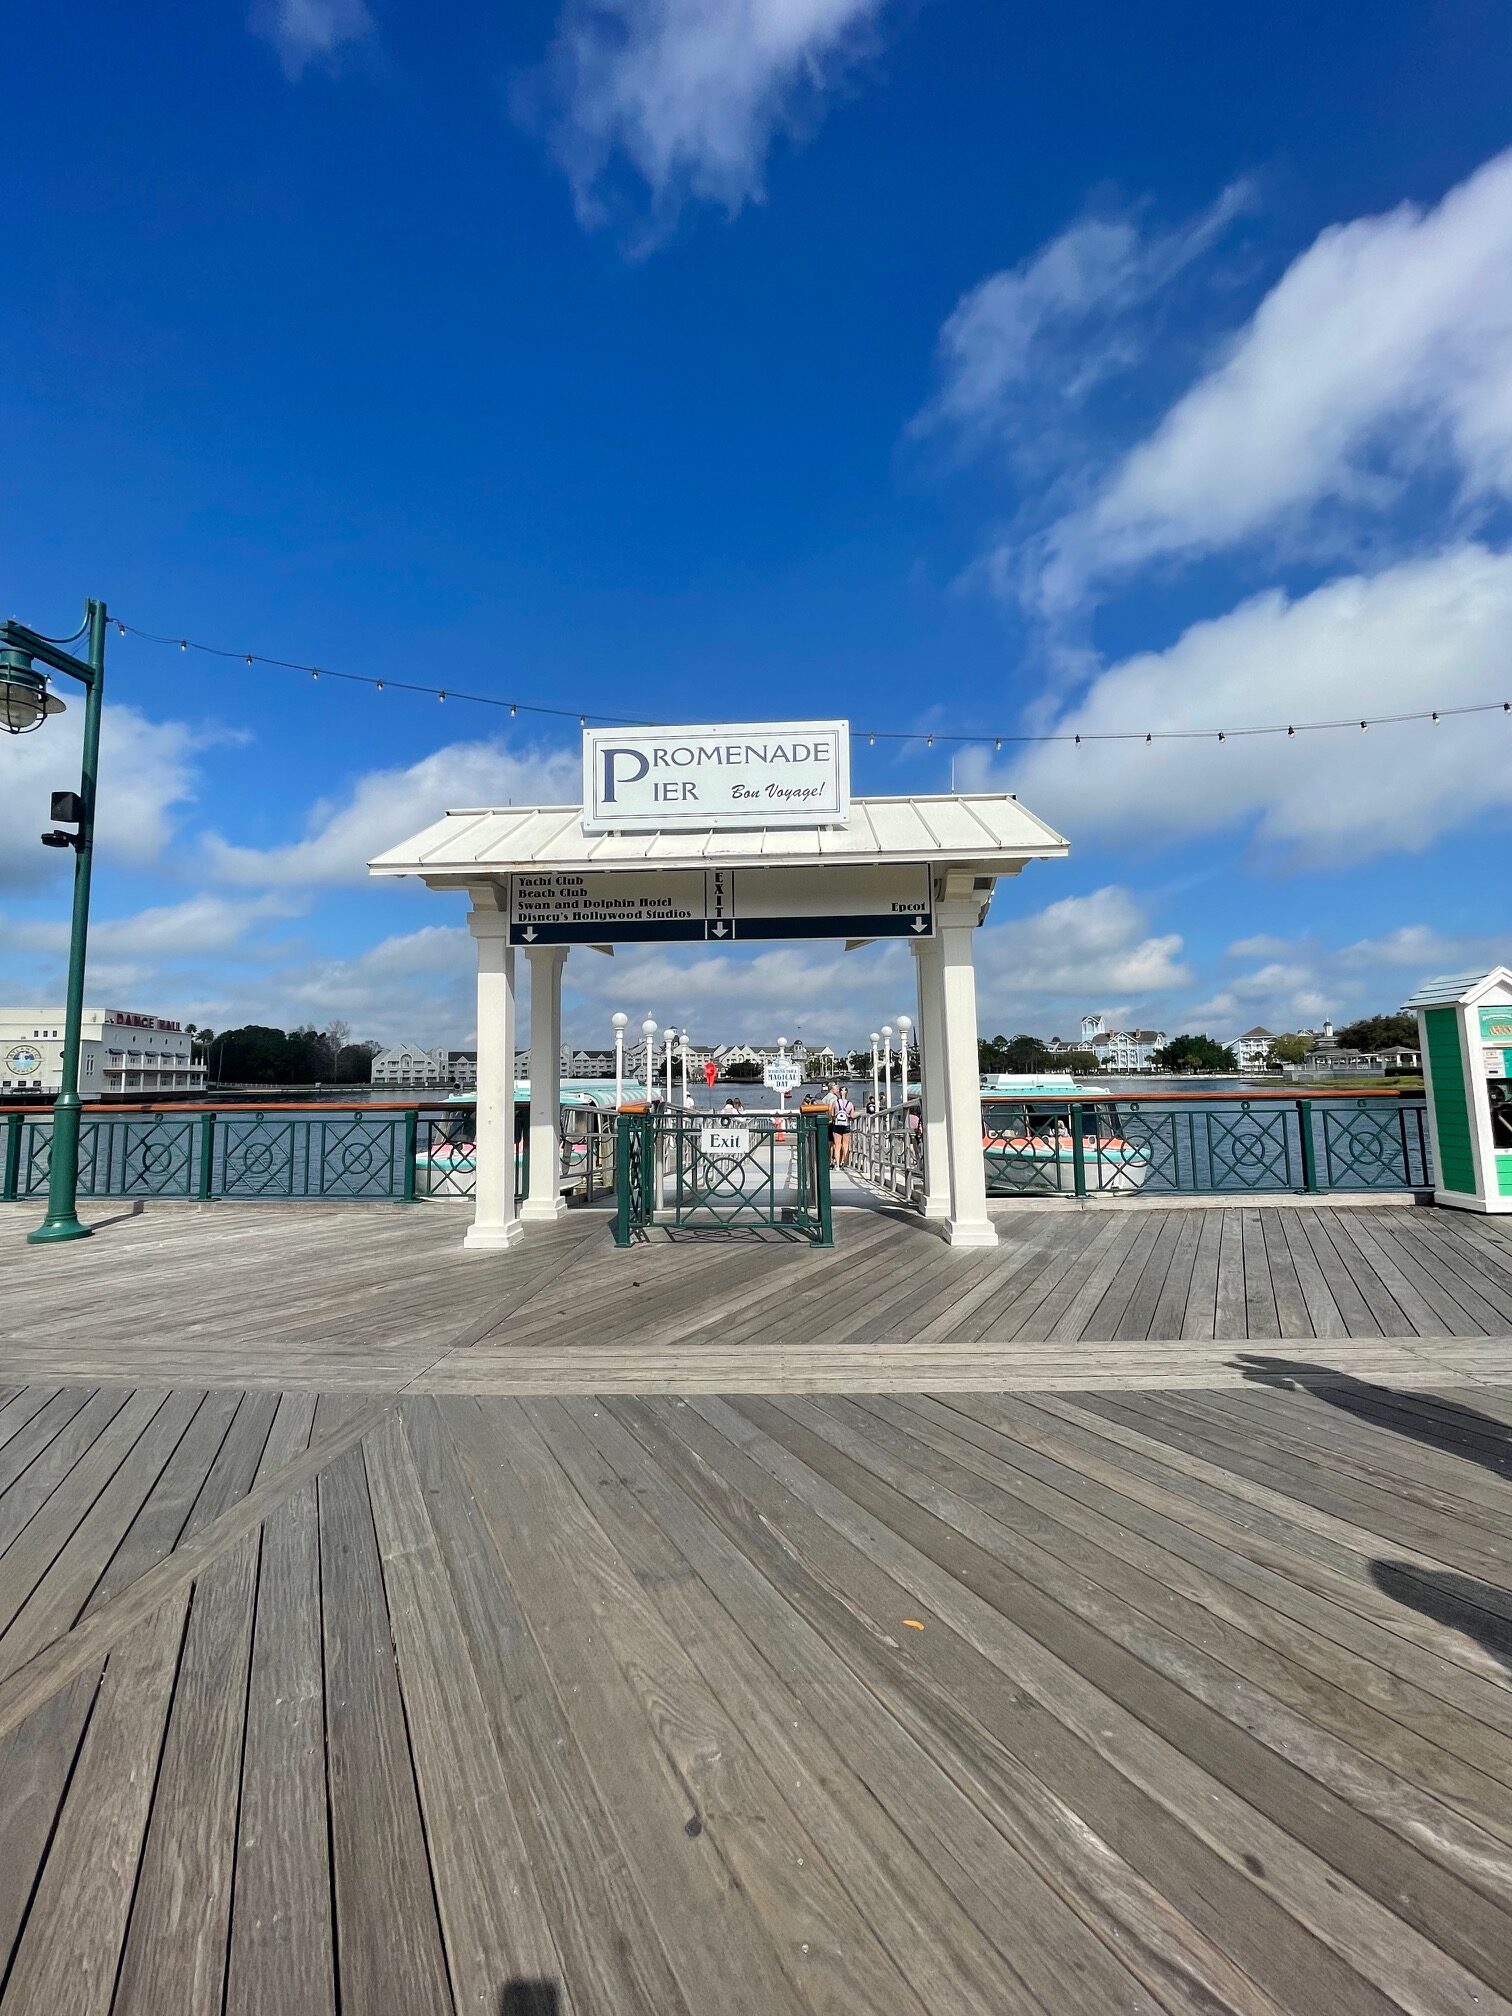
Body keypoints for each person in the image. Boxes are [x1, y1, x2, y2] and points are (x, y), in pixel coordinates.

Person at [830, 1083, 855, 1168]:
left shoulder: (835, 1102)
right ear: (846, 1093)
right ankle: (845, 1163)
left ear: (839, 1093)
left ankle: (837, 1164)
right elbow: (852, 1116)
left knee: (837, 1145)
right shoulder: (850, 1104)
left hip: (837, 1125)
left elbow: (832, 1114)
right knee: (846, 1145)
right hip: (846, 1125)